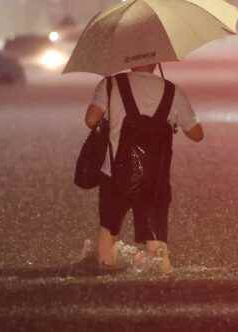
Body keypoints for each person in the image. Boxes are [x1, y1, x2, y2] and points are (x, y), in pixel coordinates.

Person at [84, 63, 204, 273]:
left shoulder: (110, 84)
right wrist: (172, 119)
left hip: (114, 174)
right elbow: (197, 134)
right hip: (154, 180)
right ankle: (159, 282)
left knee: (109, 233)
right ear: (156, 59)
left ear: (130, 60)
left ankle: (104, 274)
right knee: (156, 242)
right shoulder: (172, 91)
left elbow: (90, 120)